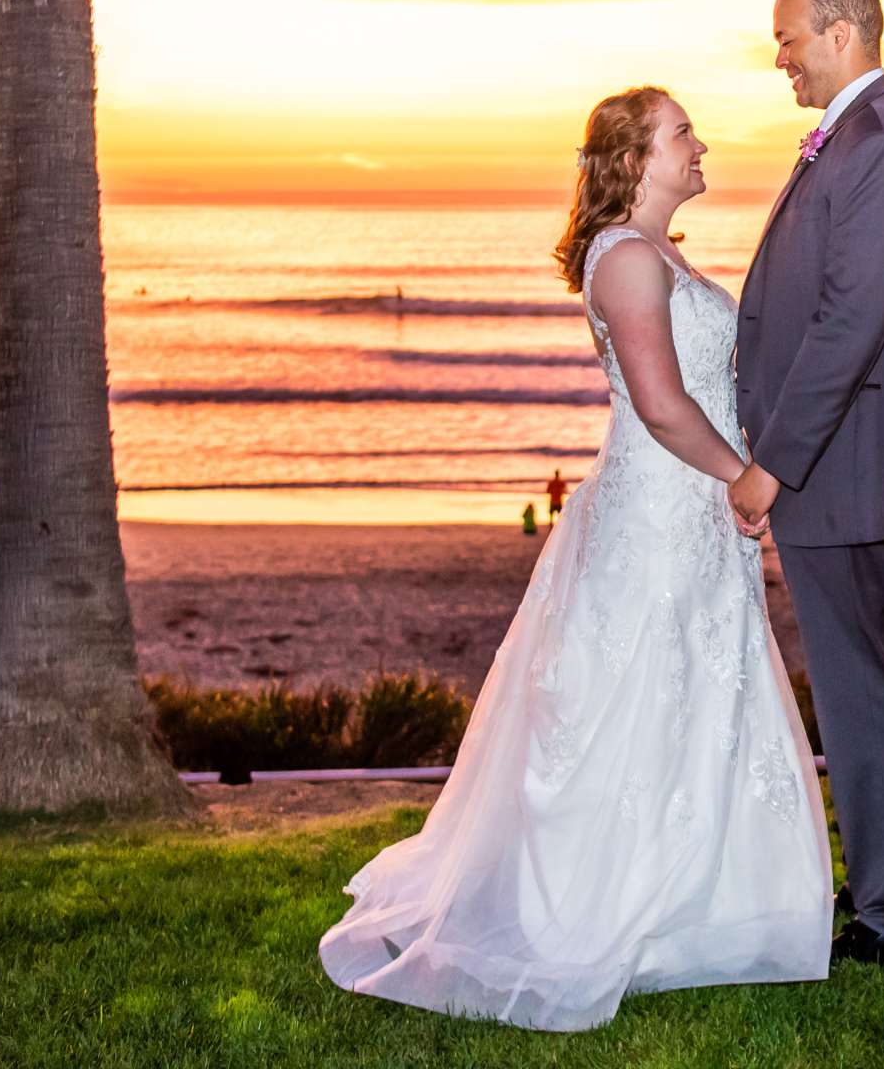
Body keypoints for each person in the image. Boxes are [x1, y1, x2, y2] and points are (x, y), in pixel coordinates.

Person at [319, 87, 828, 1031]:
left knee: (698, 693)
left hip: (687, 509)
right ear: (637, 158)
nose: (702, 143)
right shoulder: (627, 261)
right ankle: (603, 910)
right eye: (685, 133)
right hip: (666, 504)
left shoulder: (659, 253)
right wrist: (746, 480)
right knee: (634, 697)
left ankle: (701, 912)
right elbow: (662, 404)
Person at [729, 0, 884, 968]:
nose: (776, 56)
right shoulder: (864, 137)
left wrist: (771, 463)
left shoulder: (878, 144)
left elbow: (849, 326)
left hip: (843, 468)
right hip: (846, 464)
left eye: (786, 38)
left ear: (839, 34)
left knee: (861, 686)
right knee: (865, 681)